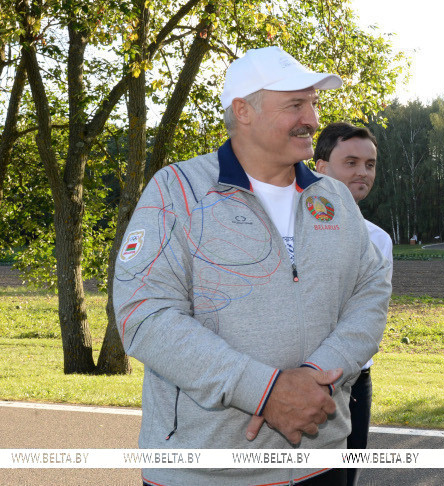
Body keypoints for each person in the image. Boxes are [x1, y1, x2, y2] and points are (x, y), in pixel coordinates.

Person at [113, 46, 391, 486]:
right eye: (295, 105)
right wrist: (264, 391)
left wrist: (318, 375)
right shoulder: (176, 191)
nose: (313, 120)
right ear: (243, 110)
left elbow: (370, 292)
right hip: (205, 471)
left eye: (314, 104)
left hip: (321, 462)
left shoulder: (333, 198)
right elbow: (143, 315)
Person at [314, 122, 393, 486]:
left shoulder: (379, 240)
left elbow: (368, 318)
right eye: (351, 162)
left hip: (357, 380)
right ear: (320, 167)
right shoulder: (288, 230)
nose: (363, 172)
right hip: (303, 380)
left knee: (347, 478)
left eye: (370, 164)